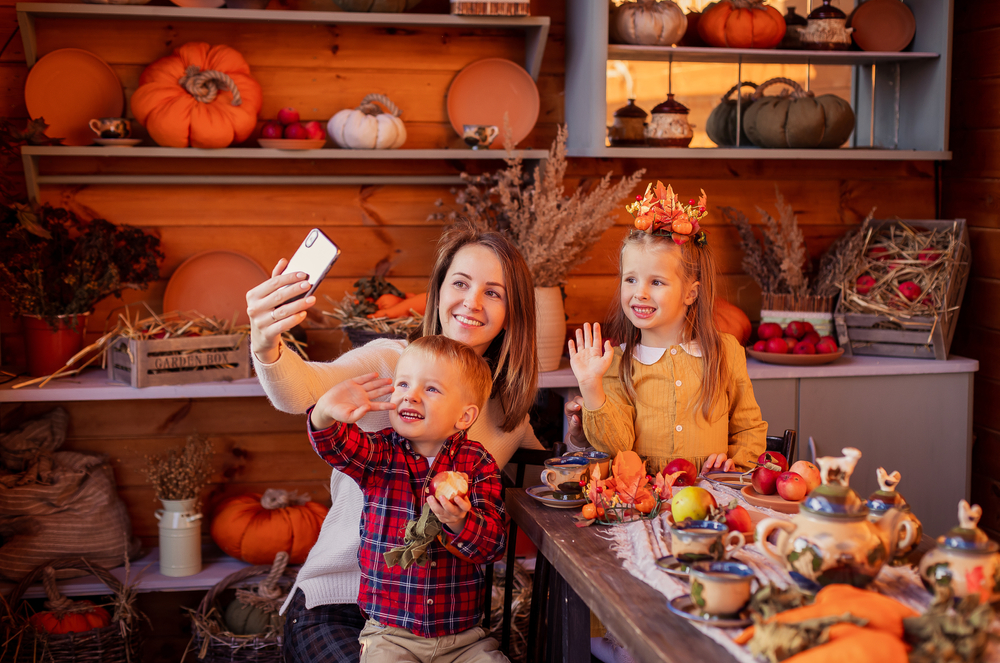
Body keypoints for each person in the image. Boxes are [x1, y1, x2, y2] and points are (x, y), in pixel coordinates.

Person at [245, 223, 547, 663]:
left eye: (494, 293)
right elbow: (301, 391)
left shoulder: (506, 408)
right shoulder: (392, 362)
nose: (472, 302)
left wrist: (585, 430)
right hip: (338, 606)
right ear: (439, 291)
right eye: (460, 283)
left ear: (513, 313)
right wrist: (265, 342)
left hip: (441, 625)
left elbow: (550, 477)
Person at [307, 335, 508, 662]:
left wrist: (460, 521)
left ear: (464, 417)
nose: (410, 396)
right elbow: (336, 445)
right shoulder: (380, 453)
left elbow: (492, 546)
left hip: (464, 637)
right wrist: (325, 414)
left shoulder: (477, 463)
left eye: (431, 389)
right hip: (389, 634)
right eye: (403, 384)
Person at [567, 182, 766, 476]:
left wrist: (735, 465)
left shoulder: (725, 352)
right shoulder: (615, 363)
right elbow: (616, 446)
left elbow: (749, 427)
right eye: (630, 280)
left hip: (712, 496)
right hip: (641, 499)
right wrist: (590, 385)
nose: (640, 293)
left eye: (656, 282)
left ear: (690, 293)